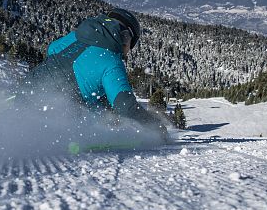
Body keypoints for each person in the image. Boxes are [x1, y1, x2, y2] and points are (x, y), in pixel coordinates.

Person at [18, 8, 165, 130]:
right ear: (126, 38)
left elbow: (51, 50)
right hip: (52, 113)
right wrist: (156, 126)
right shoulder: (112, 61)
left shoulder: (75, 36)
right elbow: (125, 106)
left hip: (27, 88)